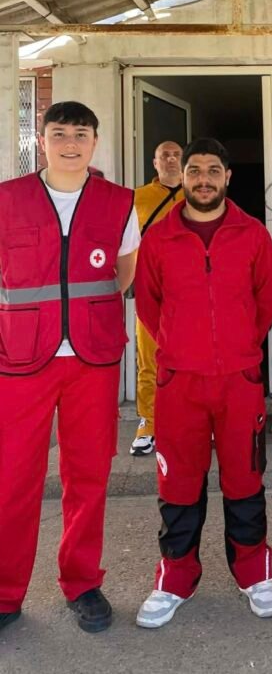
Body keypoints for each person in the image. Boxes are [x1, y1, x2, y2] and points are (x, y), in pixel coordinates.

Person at [0, 101, 139, 634]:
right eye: (59, 133)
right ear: (42, 141)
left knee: (88, 475)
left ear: (95, 142)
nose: (70, 143)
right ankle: (6, 592)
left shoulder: (119, 202)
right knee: (13, 478)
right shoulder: (7, 199)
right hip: (20, 361)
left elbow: (123, 271)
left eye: (81, 134)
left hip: (92, 359)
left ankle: (82, 583)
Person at [134, 138, 272, 627]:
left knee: (245, 477)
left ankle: (253, 571)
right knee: (178, 482)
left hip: (239, 380)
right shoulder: (159, 238)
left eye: (212, 170)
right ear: (182, 177)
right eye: (194, 170)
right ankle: (176, 576)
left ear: (227, 177)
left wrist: (237, 349)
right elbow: (149, 306)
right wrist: (181, 349)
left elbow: (265, 301)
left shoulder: (252, 234)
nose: (203, 179)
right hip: (179, 382)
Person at [130, 140, 184, 456]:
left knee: (192, 358)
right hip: (151, 292)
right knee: (149, 358)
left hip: (191, 292)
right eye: (165, 155)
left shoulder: (198, 193)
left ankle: (192, 420)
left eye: (177, 155)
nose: (171, 159)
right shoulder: (137, 198)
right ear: (155, 162)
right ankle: (148, 422)